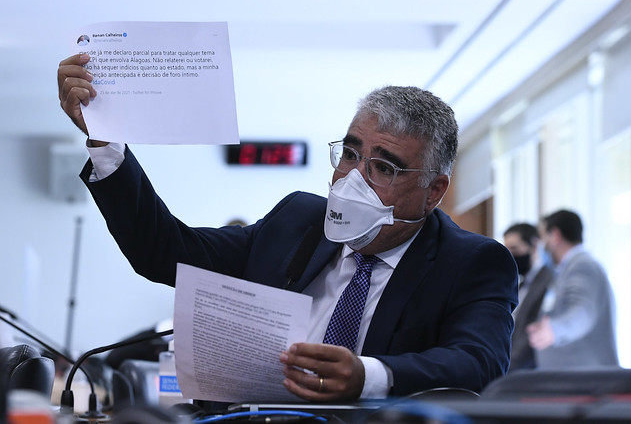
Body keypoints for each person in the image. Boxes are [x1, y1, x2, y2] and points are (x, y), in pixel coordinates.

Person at [57, 53, 518, 402]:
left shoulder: (472, 262)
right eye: (350, 154)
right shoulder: (298, 221)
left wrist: (367, 375)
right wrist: (105, 142)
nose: (352, 179)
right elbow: (164, 250)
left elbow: (478, 363)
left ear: (433, 191)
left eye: (384, 168)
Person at [527, 210, 618, 368]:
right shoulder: (564, 270)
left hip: (586, 378)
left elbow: (582, 311)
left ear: (555, 236)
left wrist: (555, 330)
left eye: (543, 238)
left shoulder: (582, 266)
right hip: (575, 377)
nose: (542, 246)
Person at [502, 223, 554, 371]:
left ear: (534, 245)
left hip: (527, 372)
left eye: (514, 249)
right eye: (507, 250)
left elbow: (534, 333)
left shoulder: (549, 281)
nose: (510, 256)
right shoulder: (520, 285)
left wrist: (506, 370)